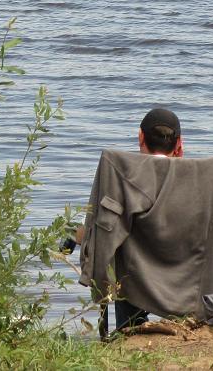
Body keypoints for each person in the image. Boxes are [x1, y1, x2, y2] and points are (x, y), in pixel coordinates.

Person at [64, 107, 183, 330]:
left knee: (123, 251)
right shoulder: (197, 182)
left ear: (140, 137)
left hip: (137, 280)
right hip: (185, 278)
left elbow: (103, 232)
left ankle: (128, 327)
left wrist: (73, 234)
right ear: (179, 144)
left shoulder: (125, 181)